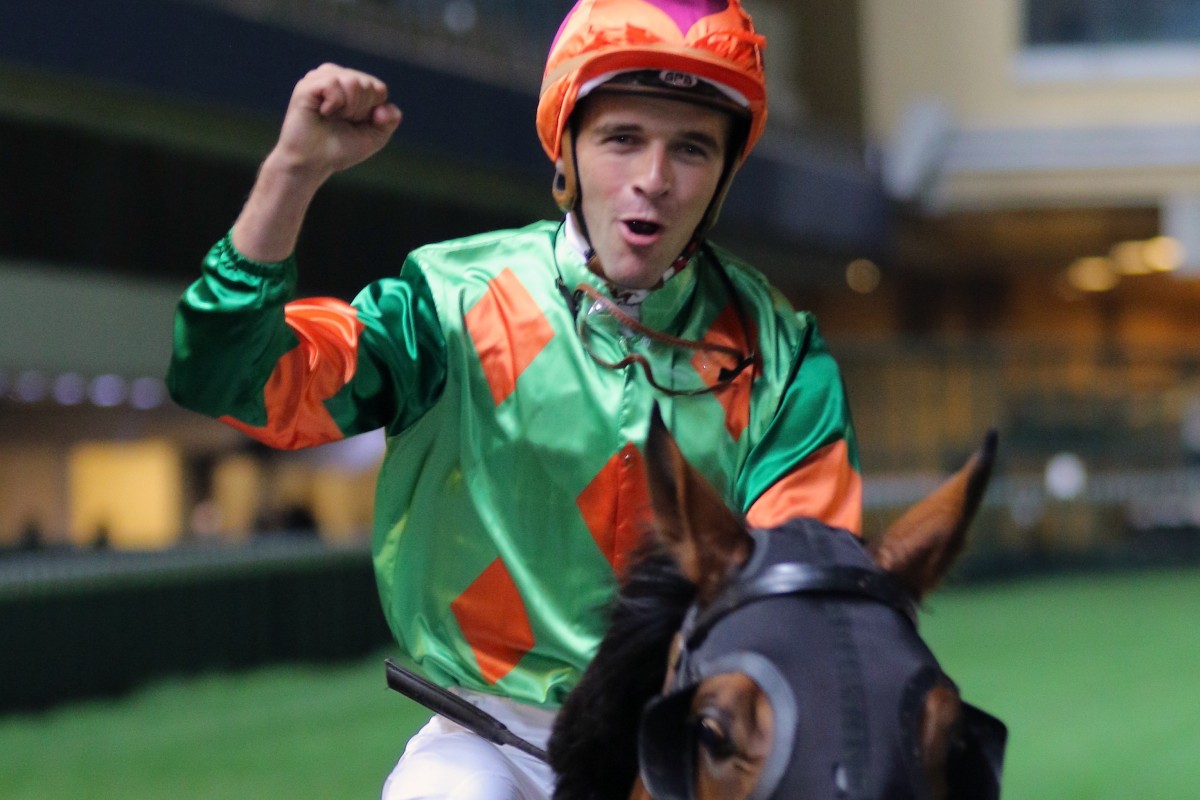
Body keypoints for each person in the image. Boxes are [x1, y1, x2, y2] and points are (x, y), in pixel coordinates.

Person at [167, 0, 862, 797]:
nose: (654, 181)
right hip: (485, 743)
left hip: (691, 751)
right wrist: (293, 173)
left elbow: (799, 594)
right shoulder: (451, 300)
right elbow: (231, 378)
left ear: (724, 177)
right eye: (622, 138)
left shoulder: (782, 352)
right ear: (565, 150)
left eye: (692, 149)